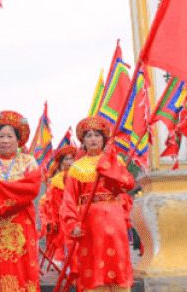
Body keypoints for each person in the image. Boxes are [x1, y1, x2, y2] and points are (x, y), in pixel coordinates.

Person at [61, 116, 135, 292]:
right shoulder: (77, 167)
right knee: (93, 267)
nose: (93, 139)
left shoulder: (115, 161)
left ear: (104, 138)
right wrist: (72, 224)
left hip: (114, 220)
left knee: (117, 262)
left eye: (97, 135)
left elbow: (128, 183)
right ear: (83, 141)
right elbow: (69, 200)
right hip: (89, 223)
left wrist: (110, 171)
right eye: (88, 136)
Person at [0, 110, 42, 292]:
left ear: (18, 139)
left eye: (9, 136)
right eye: (0, 136)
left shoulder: (28, 162)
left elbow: (31, 189)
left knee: (23, 270)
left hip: (21, 225)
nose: (4, 140)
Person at [44, 145, 77, 266]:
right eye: (66, 159)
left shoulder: (80, 173)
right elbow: (56, 201)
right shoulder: (57, 179)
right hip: (64, 214)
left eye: (71, 159)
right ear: (62, 162)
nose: (69, 162)